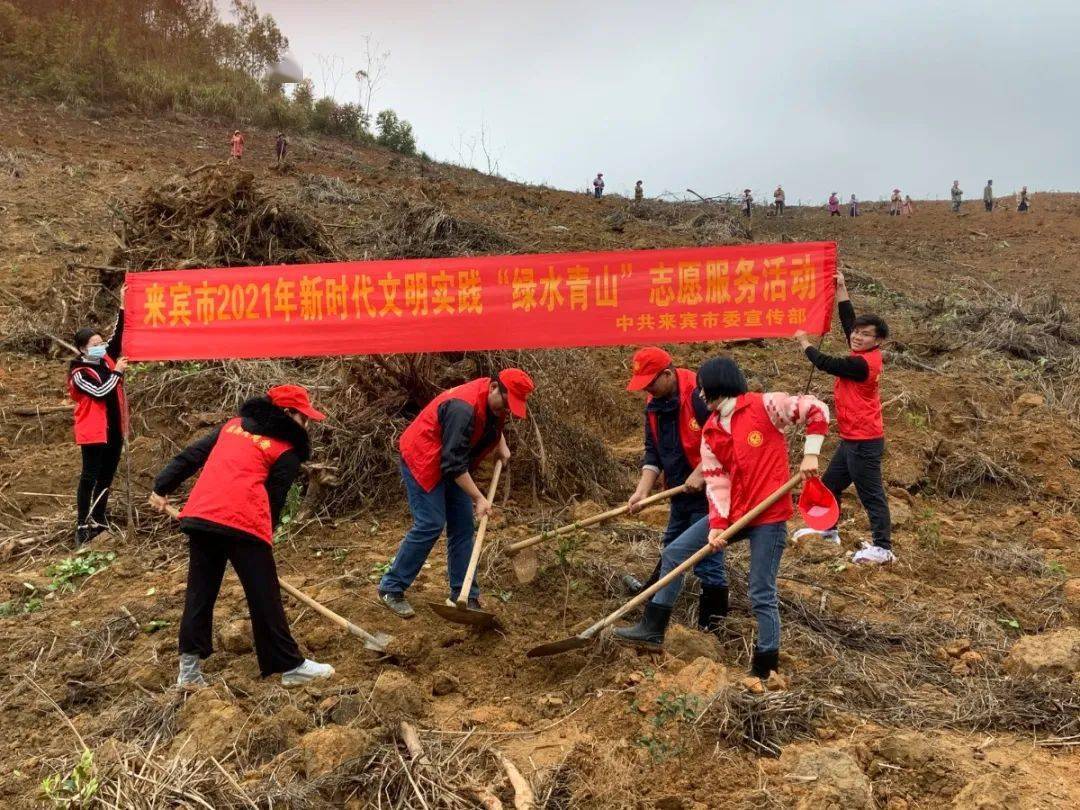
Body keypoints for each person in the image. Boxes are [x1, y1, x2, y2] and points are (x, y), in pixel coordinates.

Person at [613, 357, 829, 680]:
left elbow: (816, 409)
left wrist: (811, 452)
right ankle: (653, 627)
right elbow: (716, 483)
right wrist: (716, 526)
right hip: (736, 514)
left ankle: (765, 667)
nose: (698, 395)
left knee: (761, 591)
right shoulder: (712, 430)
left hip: (767, 516)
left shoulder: (765, 406)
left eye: (702, 389)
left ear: (716, 385)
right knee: (675, 552)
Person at [149, 385, 335, 687]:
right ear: (287, 413)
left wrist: (162, 487)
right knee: (264, 596)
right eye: (304, 417)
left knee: (200, 591)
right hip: (243, 523)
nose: (308, 424)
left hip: (203, 517)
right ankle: (289, 666)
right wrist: (265, 539)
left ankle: (189, 671)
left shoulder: (233, 426)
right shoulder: (286, 452)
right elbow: (273, 501)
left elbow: (192, 455)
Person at [378, 370, 536, 617]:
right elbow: (452, 464)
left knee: (463, 526)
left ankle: (464, 595)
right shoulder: (462, 408)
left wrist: (500, 443)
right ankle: (391, 588)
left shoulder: (493, 401)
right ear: (494, 386)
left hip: (454, 462)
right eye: (506, 403)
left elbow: (490, 419)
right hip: (424, 457)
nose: (506, 411)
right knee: (430, 523)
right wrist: (478, 498)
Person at [621, 348, 726, 630]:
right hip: (680, 490)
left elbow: (724, 439)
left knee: (707, 555)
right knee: (672, 547)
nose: (648, 390)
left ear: (667, 374)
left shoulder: (699, 395)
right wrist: (642, 491)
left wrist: (700, 471)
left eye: (650, 383)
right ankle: (652, 603)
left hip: (712, 490)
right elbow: (653, 452)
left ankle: (713, 626)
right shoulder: (655, 402)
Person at [794, 270, 894, 565]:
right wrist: (841, 289)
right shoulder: (861, 348)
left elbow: (825, 363)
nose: (857, 336)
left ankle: (883, 547)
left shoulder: (863, 365)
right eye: (857, 332)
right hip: (851, 438)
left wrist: (803, 342)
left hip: (865, 441)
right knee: (830, 484)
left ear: (879, 341)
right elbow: (848, 322)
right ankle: (828, 531)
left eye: (865, 334)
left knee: (871, 493)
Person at [70, 291, 129, 545]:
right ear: (83, 349)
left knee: (106, 476)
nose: (100, 346)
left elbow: (117, 338)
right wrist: (116, 373)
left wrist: (123, 305)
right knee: (89, 477)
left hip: (114, 429)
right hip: (94, 433)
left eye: (99, 342)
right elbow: (100, 391)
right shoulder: (79, 372)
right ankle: (82, 524)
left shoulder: (105, 359)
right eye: (94, 344)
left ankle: (99, 517)